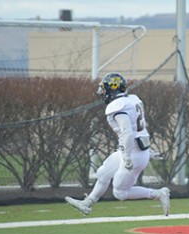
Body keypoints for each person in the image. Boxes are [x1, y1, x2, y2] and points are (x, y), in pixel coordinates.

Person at [65, 72, 170, 216]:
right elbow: (138, 129)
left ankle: (159, 193)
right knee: (103, 174)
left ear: (111, 89)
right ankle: (87, 203)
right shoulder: (132, 100)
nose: (102, 92)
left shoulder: (118, 106)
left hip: (132, 153)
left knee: (120, 192)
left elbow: (128, 132)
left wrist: (127, 157)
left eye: (104, 88)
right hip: (132, 150)